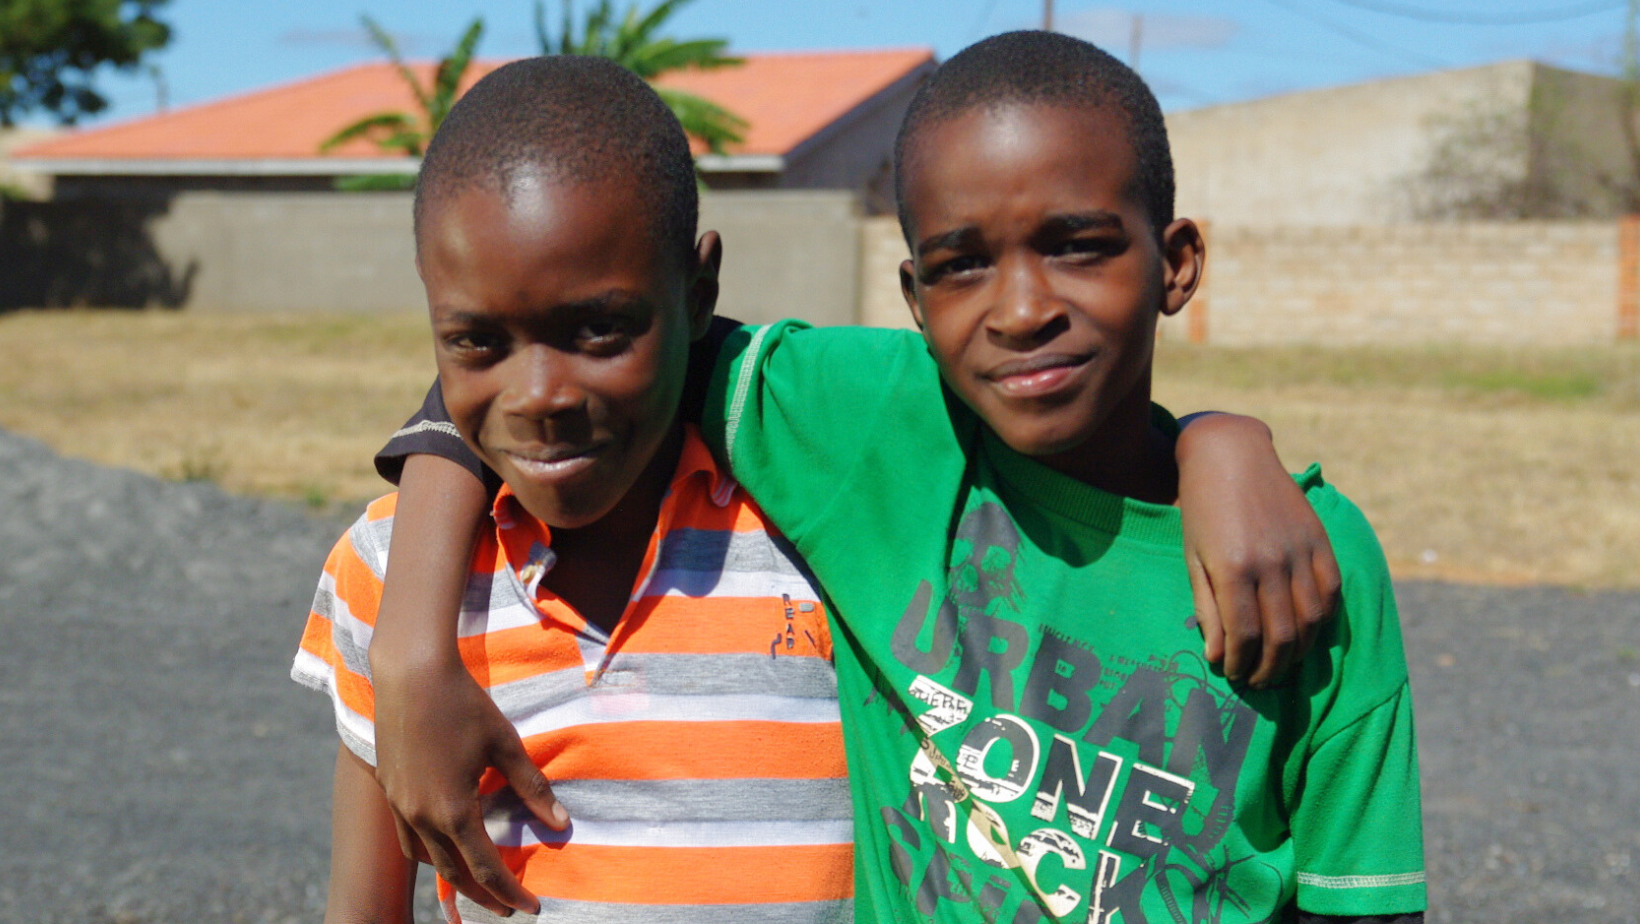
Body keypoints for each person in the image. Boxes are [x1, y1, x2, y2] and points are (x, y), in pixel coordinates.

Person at [367, 32, 1425, 923]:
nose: (1018, 308)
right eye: (962, 264)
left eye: (1077, 246)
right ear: (914, 295)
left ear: (1176, 263)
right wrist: (411, 651)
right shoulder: (867, 429)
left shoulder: (1316, 562)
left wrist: (1217, 438)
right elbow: (555, 357)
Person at [291, 57, 855, 924]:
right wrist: (407, 649)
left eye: (599, 330)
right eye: (478, 342)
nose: (541, 397)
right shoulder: (387, 570)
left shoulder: (822, 531)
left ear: (699, 290)